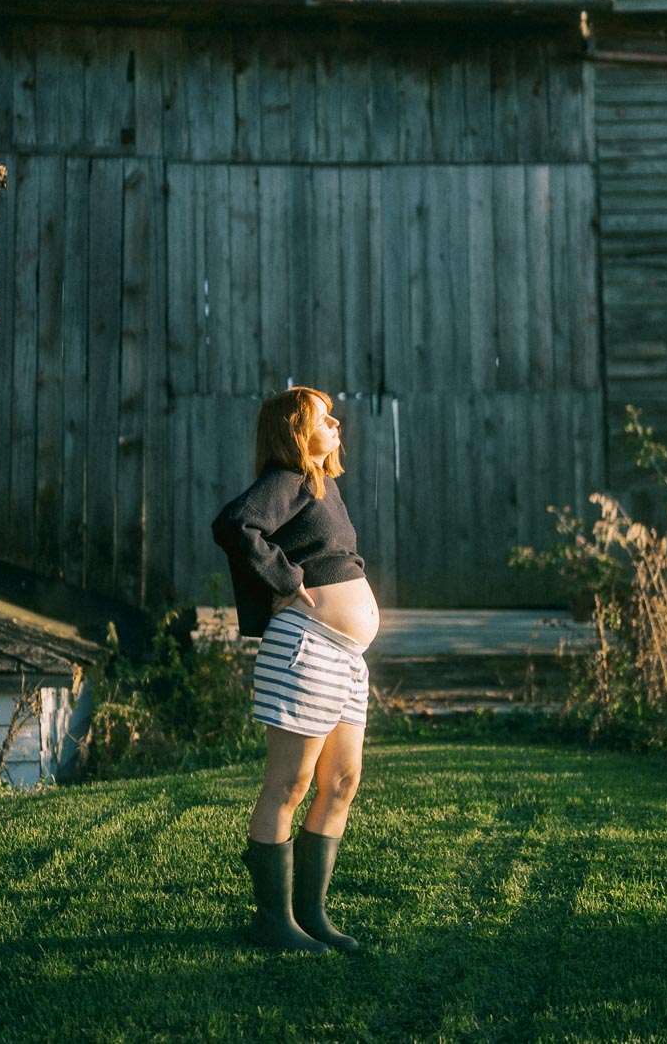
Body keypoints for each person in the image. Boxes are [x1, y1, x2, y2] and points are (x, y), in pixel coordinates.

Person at [211, 386, 380, 954]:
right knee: (291, 782)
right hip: (307, 647)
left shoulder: (323, 487)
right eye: (322, 417)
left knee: (342, 781)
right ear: (294, 431)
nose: (336, 423)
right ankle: (272, 922)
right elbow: (236, 525)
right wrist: (284, 581)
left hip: (345, 655)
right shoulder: (291, 477)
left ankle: (312, 916)